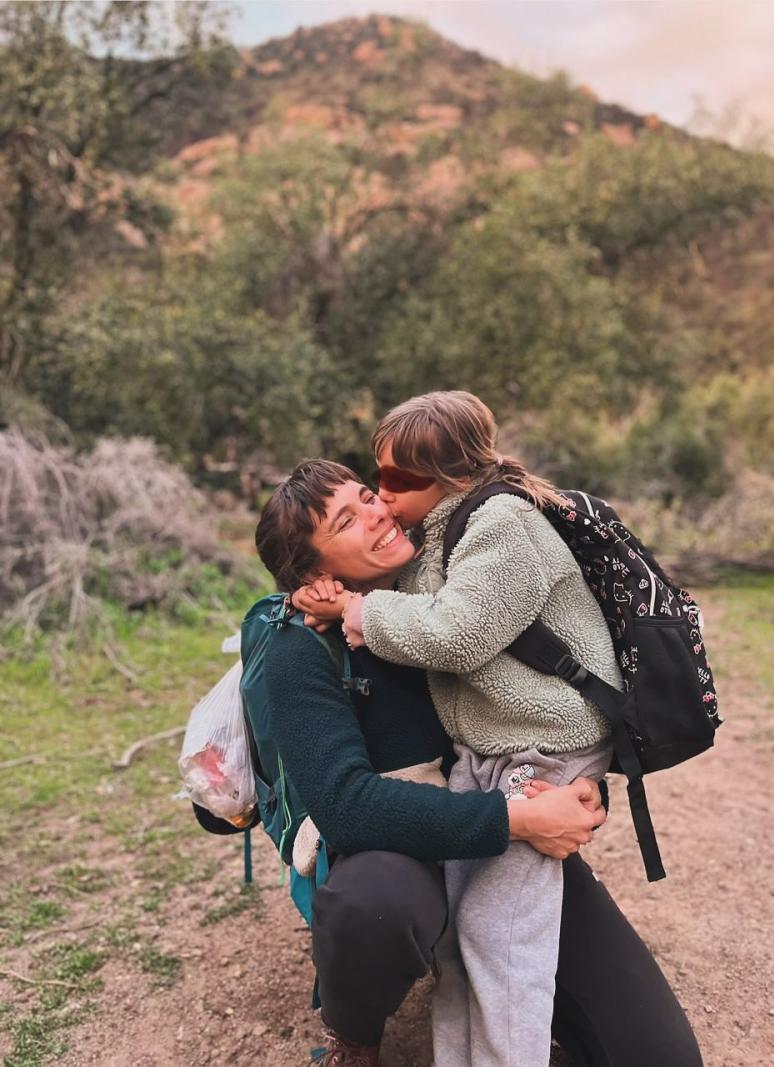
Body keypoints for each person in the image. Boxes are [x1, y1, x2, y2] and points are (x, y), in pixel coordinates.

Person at [254, 459, 702, 1067]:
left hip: (498, 838)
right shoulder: (299, 647)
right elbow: (345, 808)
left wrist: (576, 785)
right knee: (374, 902)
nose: (378, 514)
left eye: (368, 496)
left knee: (658, 1055)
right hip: (404, 850)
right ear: (312, 569)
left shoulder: (452, 593)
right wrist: (516, 820)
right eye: (347, 521)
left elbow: (532, 714)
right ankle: (354, 1034)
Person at [293, 392, 622, 1066]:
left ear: (454, 475)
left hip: (545, 748)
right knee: (456, 941)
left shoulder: (500, 522)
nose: (384, 497)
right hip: (494, 753)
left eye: (397, 481)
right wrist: (325, 596)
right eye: (375, 476)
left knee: (500, 936)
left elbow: (458, 634)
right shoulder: (441, 533)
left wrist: (358, 611)